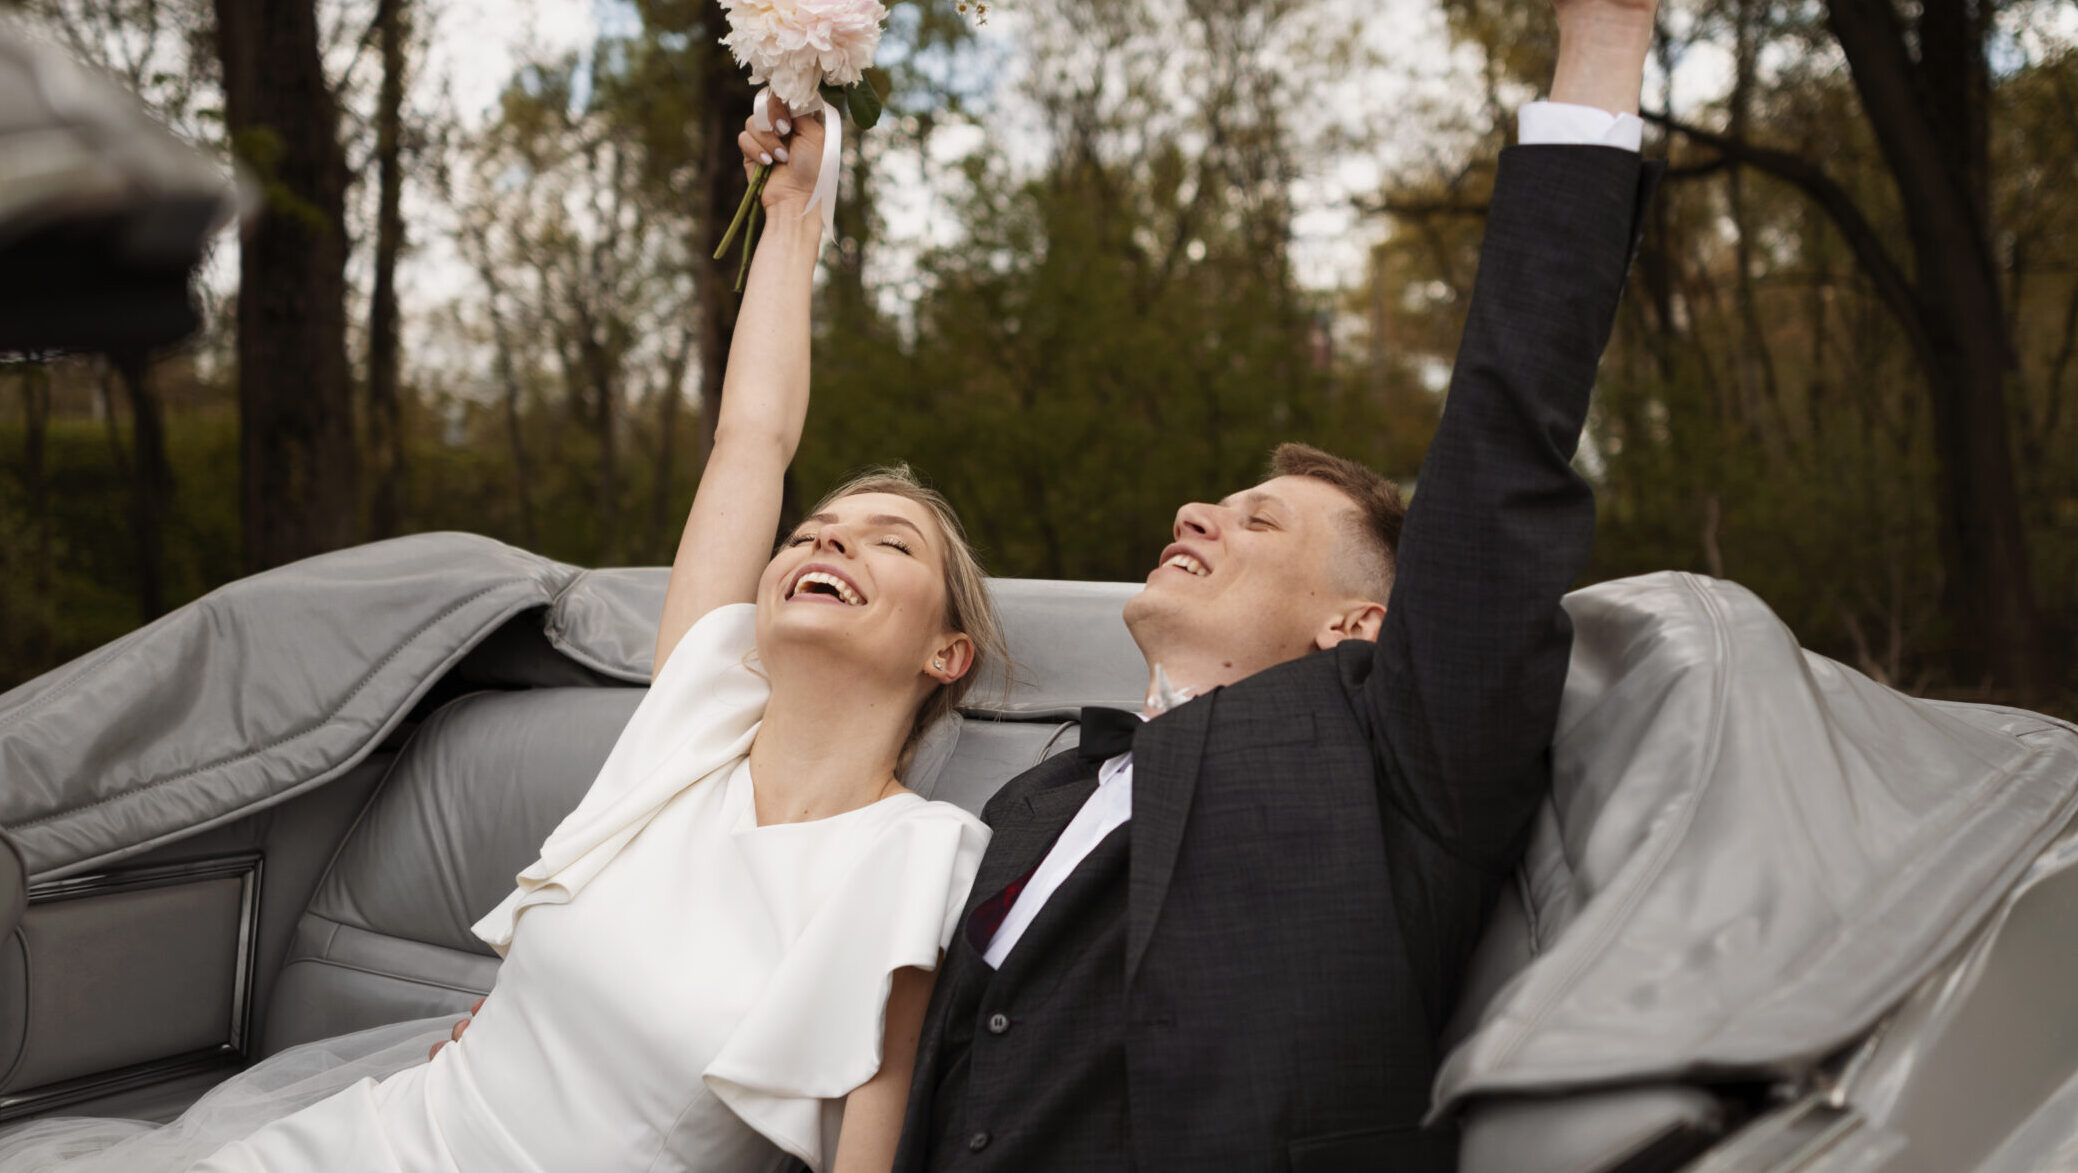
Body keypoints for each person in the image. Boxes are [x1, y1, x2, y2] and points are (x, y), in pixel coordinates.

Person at [0, 106, 997, 1173]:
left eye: (886, 543)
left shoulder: (911, 858)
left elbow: (866, 1149)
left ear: (947, 652)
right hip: (367, 1141)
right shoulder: (693, 721)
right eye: (810, 529)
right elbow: (751, 440)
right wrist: (794, 211)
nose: (828, 541)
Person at [889, 0, 1663, 1167]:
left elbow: (1504, 437)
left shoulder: (1394, 753)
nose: (1192, 512)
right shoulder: (1031, 806)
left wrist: (1600, 42)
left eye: (1256, 519)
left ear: (1357, 624)